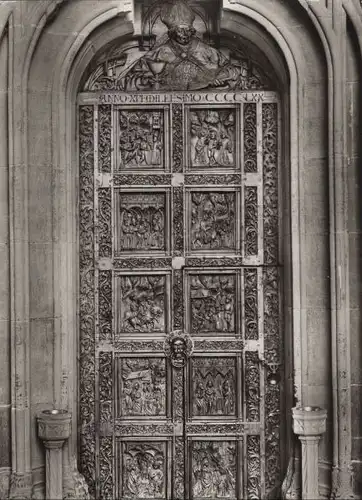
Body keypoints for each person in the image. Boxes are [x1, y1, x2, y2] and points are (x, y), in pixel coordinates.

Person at [120, 0, 240, 91]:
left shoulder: (207, 51)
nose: (185, 34)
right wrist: (148, 81)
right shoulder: (158, 53)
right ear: (172, 32)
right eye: (180, 30)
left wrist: (220, 77)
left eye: (188, 30)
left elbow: (232, 71)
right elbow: (131, 79)